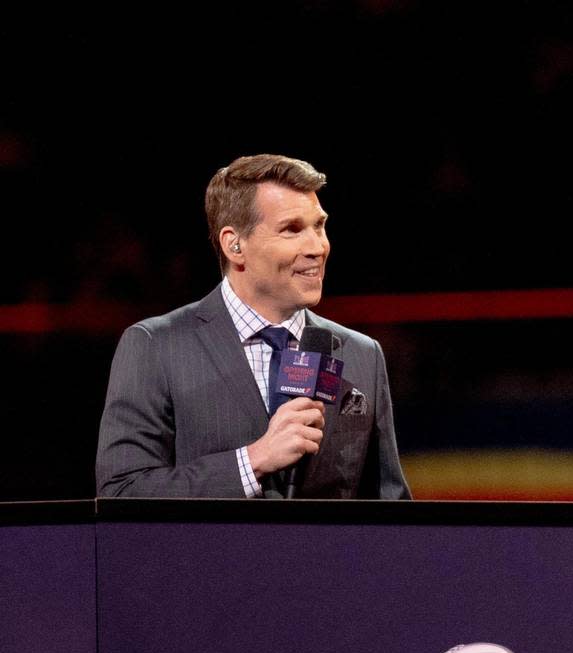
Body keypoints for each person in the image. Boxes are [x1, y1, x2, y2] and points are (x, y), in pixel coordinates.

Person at [96, 154, 411, 499]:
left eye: (319, 226)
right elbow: (122, 493)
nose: (317, 247)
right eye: (292, 229)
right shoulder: (156, 346)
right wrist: (253, 461)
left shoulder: (362, 354)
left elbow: (389, 508)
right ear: (235, 244)